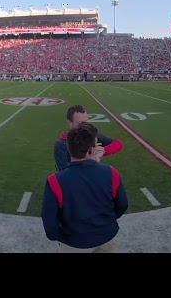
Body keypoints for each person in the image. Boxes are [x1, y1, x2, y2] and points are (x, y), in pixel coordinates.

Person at [42, 122, 129, 252]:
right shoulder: (112, 173)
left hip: (73, 244)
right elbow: (122, 205)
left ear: (69, 148)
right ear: (91, 150)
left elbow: (50, 224)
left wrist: (63, 237)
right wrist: (106, 223)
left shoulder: (55, 181)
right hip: (107, 237)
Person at [53, 105, 124, 172]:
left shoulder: (91, 135)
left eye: (86, 122)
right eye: (80, 123)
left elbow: (118, 144)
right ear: (69, 122)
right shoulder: (61, 144)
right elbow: (64, 173)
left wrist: (103, 151)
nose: (84, 126)